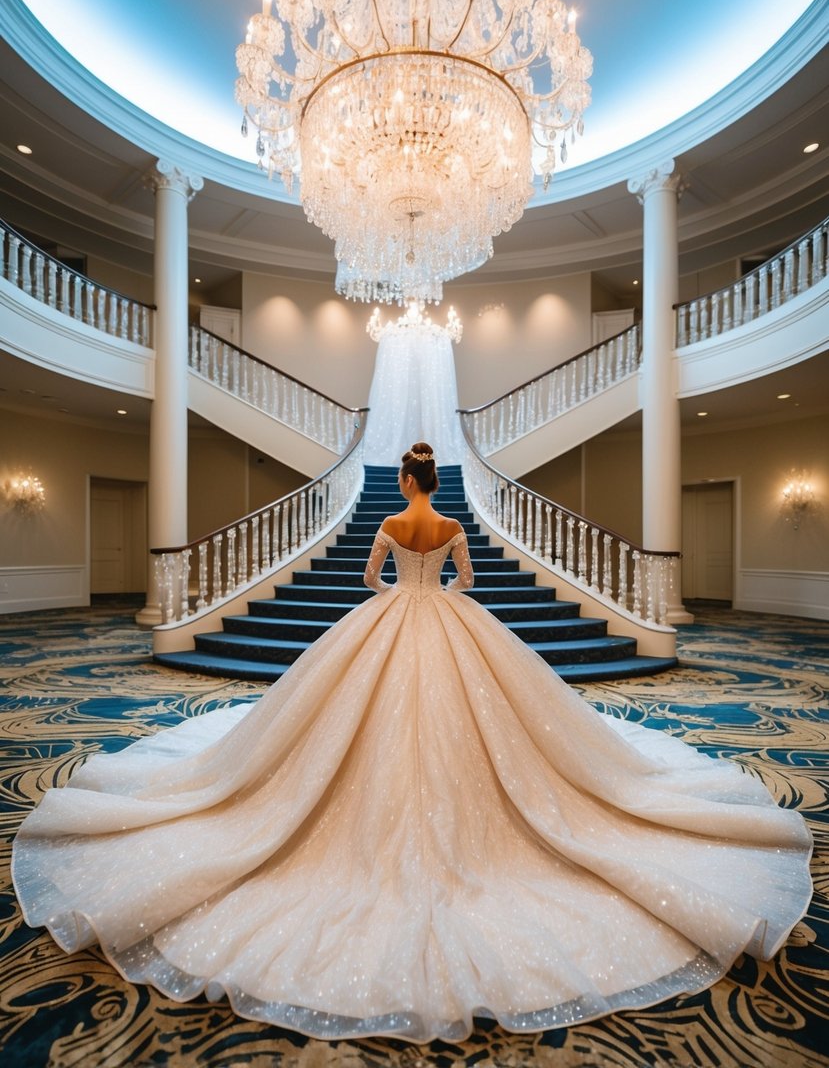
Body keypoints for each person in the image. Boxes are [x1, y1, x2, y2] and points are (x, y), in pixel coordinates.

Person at [11, 442, 813, 1045]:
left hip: (392, 617)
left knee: (346, 718)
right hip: (450, 621)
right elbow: (468, 580)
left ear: (403, 482)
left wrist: (397, 589)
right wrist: (441, 591)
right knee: (488, 720)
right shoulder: (451, 522)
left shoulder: (394, 522)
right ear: (437, 483)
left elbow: (367, 580)